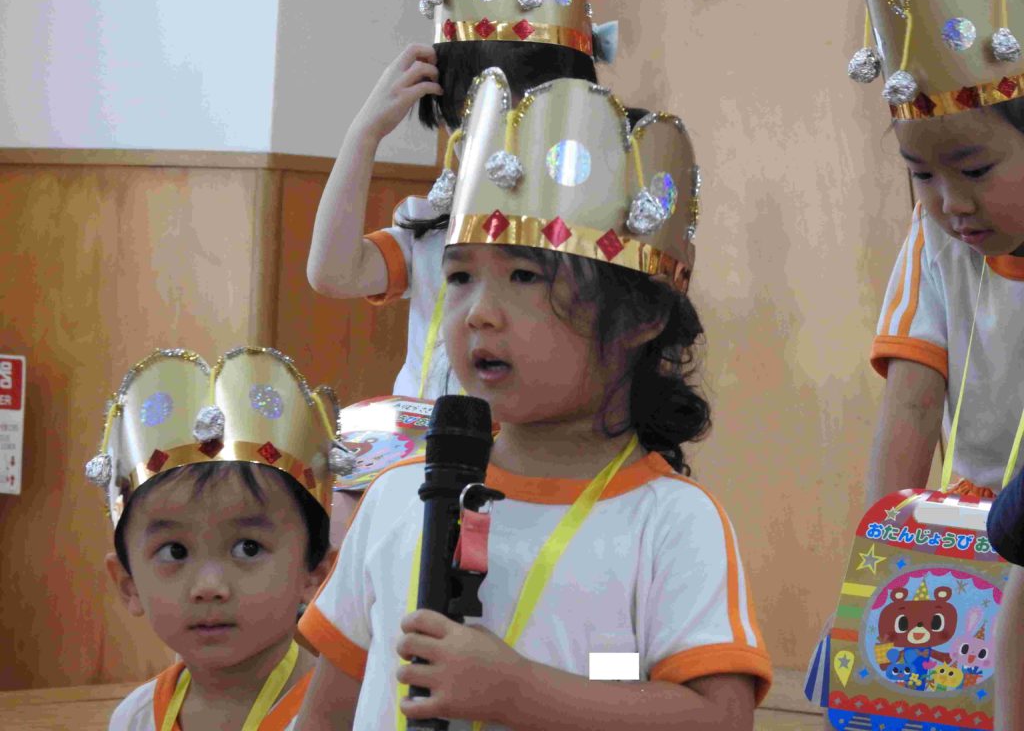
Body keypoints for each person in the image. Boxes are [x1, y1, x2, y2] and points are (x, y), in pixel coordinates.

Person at [296, 72, 771, 730]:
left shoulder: (668, 522)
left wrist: (518, 691)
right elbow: (325, 714)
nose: (479, 312)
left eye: (524, 276)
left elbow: (719, 718)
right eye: (460, 276)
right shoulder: (397, 495)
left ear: (641, 316)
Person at [806, 0, 1024, 726]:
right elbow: (910, 405)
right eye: (920, 173)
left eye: (975, 169)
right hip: (968, 549)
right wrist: (870, 582)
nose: (950, 202)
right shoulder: (934, 241)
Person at [306, 0, 613, 400]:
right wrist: (364, 134)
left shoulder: (589, 236)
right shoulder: (432, 231)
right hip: (424, 439)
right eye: (473, 127)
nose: (500, 152)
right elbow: (334, 274)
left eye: (523, 124)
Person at [84, 347, 344, 730]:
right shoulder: (134, 719)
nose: (209, 587)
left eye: (248, 548)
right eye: (175, 551)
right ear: (128, 584)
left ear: (316, 574)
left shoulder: (345, 716)